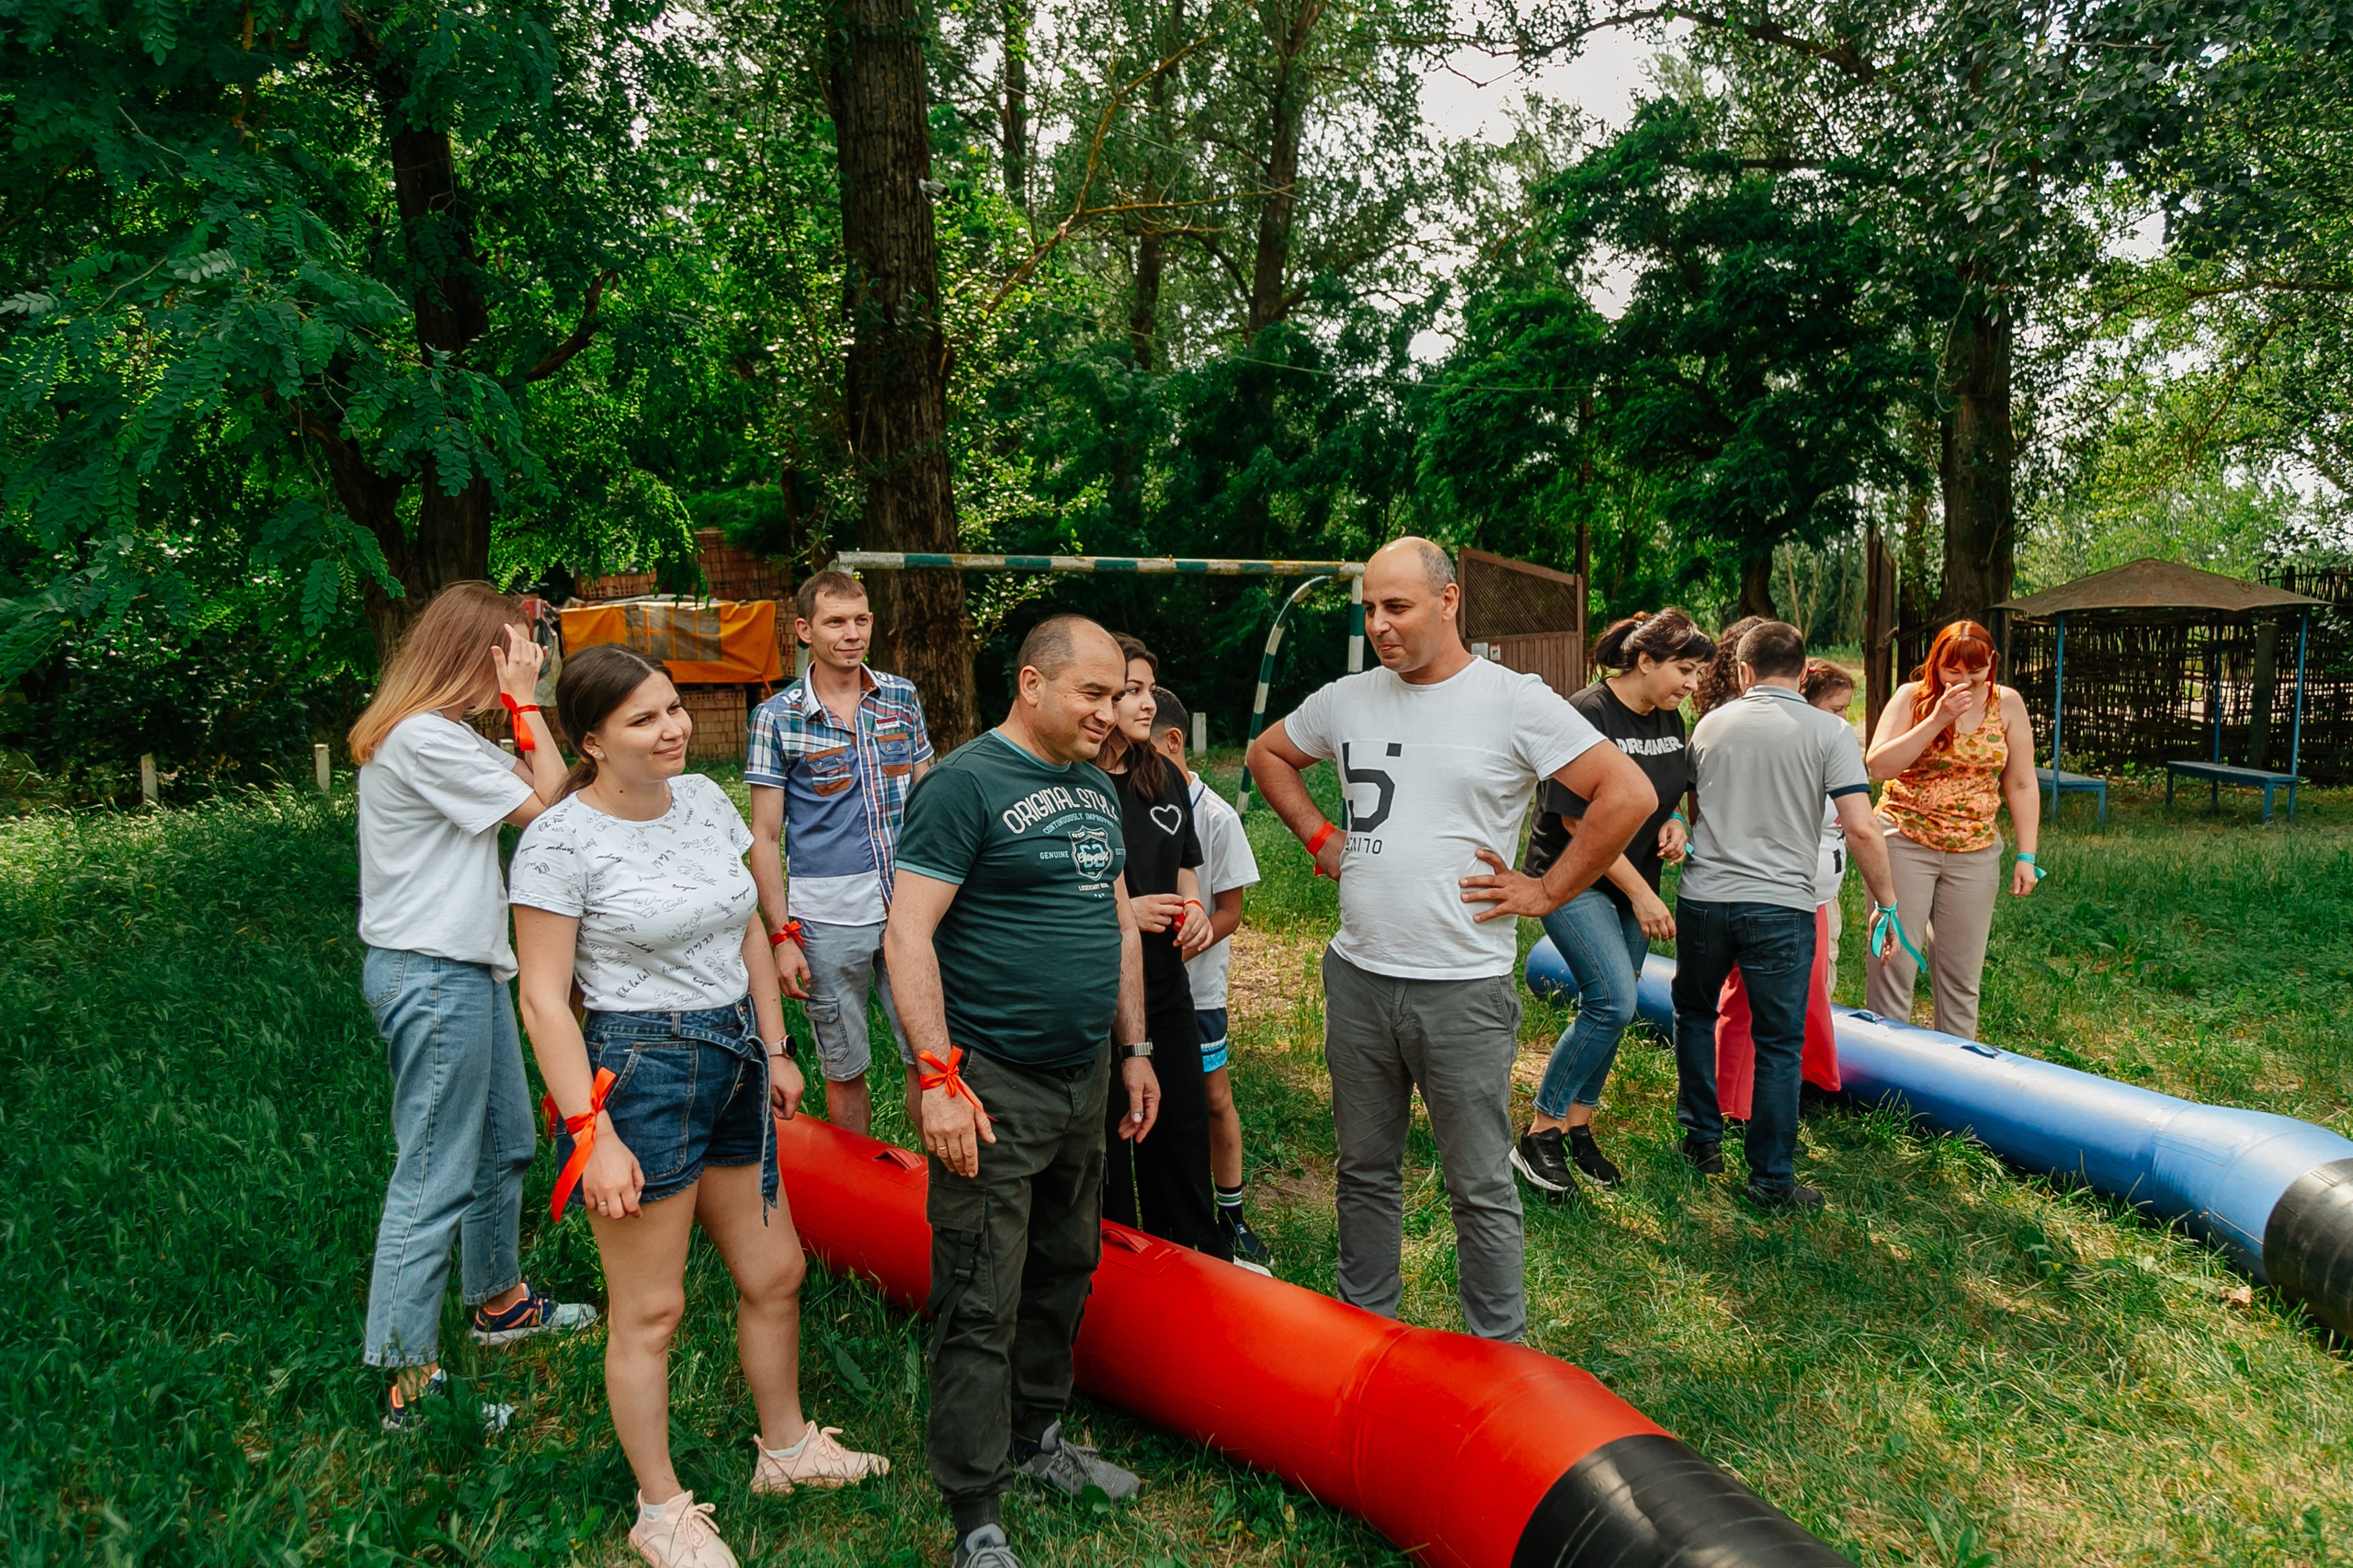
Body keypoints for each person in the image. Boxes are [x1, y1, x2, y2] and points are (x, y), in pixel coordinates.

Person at [511, 646, 888, 1568]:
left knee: (776, 1272)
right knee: (652, 1310)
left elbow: (747, 926)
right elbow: (544, 1001)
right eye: (643, 718)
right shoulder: (559, 841)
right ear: (591, 740)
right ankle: (661, 1509)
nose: (672, 728)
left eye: (673, 707)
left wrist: (776, 1047)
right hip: (638, 1072)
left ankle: (786, 1451)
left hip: (735, 1059)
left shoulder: (706, 802)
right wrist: (591, 1135)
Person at [1245, 538, 1653, 1343]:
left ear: (1449, 600)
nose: (1380, 624)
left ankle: (1498, 1356)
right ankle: (1366, 1337)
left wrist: (1546, 891)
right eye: (1370, 608)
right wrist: (1320, 836)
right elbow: (1268, 753)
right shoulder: (1349, 698)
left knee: (1479, 1185)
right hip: (1358, 978)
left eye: (1396, 606)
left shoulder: (1512, 700)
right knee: (1364, 1172)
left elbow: (1627, 793)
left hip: (1462, 988)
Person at [883, 614, 1165, 1568]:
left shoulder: (1094, 784)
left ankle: (1038, 1437)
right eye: (1093, 694)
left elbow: (1117, 924)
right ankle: (975, 1511)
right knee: (979, 1295)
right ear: (1032, 684)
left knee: (1064, 1265)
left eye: (1117, 694)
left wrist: (1135, 1048)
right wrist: (938, 1078)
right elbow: (907, 933)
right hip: (991, 1082)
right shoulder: (963, 785)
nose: (1111, 713)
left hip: (1084, 1076)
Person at [348, 581, 596, 1431]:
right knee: (434, 1173)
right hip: (432, 975)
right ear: (476, 655)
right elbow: (552, 819)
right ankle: (409, 1388)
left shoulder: (449, 734)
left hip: (466, 971)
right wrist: (525, 704)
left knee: (505, 1142)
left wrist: (523, 711)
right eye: (516, 654)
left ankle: (499, 1304)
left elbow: (560, 802)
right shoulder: (421, 739)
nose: (526, 667)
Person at [1672, 622, 1904, 1210]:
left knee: (1695, 1016)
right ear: (1803, 674)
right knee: (1778, 1042)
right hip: (1781, 905)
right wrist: (1887, 902)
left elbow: (1695, 807)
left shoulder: (1710, 724)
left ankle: (1701, 1142)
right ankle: (1771, 1179)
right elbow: (1861, 827)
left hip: (1704, 898)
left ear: (1743, 671)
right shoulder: (1831, 731)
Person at [1509, 610, 1714, 1200]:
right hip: (1572, 880)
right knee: (1613, 1001)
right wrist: (1644, 894)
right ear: (1645, 661)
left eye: (1697, 673)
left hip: (1633, 881)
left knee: (1614, 1009)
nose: (1692, 684)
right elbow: (1577, 821)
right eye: (1684, 669)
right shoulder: (1587, 713)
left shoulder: (1670, 716)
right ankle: (1540, 1133)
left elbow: (1664, 791)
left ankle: (1579, 1126)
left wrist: (1675, 823)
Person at [745, 570, 933, 1138]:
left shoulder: (901, 696)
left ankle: (936, 1180)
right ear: (805, 630)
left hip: (911, 908)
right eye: (835, 622)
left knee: (928, 1055)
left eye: (860, 620)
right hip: (827, 920)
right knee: (844, 1065)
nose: (851, 634)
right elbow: (765, 837)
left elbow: (929, 798)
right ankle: (860, 1181)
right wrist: (781, 936)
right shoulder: (776, 717)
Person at [1095, 638, 1227, 1258]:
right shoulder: (1073, 783)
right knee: (1106, 1148)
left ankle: (1195, 1262)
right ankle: (1114, 1271)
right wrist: (1125, 914)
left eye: (1149, 689)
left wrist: (1193, 907)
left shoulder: (1165, 773)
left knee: (1179, 1134)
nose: (1147, 703)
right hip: (1098, 999)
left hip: (1168, 992)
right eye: (1132, 691)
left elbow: (1186, 864)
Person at [1863, 619, 2042, 1040]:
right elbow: (1878, 767)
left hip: (1975, 850)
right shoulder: (1913, 698)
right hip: (1904, 839)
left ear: (1992, 662)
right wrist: (1938, 718)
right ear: (1936, 663)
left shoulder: (2007, 704)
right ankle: (1886, 1066)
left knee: (1961, 975)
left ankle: (1955, 1067)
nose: (1964, 680)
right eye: (1952, 670)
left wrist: (2027, 855)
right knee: (1894, 964)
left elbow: (2021, 782)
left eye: (1975, 671)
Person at [1147, 686, 1272, 1272]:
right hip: (1139, 990)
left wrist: (1188, 941)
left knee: (1213, 1098)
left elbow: (1231, 911)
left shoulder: (1216, 816)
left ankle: (1231, 1212)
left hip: (1195, 990)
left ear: (1173, 741)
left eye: (1145, 754)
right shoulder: (1129, 801)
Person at [1711, 659, 1854, 1120]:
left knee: (1809, 995)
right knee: (1750, 998)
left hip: (1815, 898)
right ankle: (1733, 1105)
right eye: (1836, 708)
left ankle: (1804, 1085)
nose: (1845, 719)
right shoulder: (1788, 749)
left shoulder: (1833, 745)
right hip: (1772, 896)